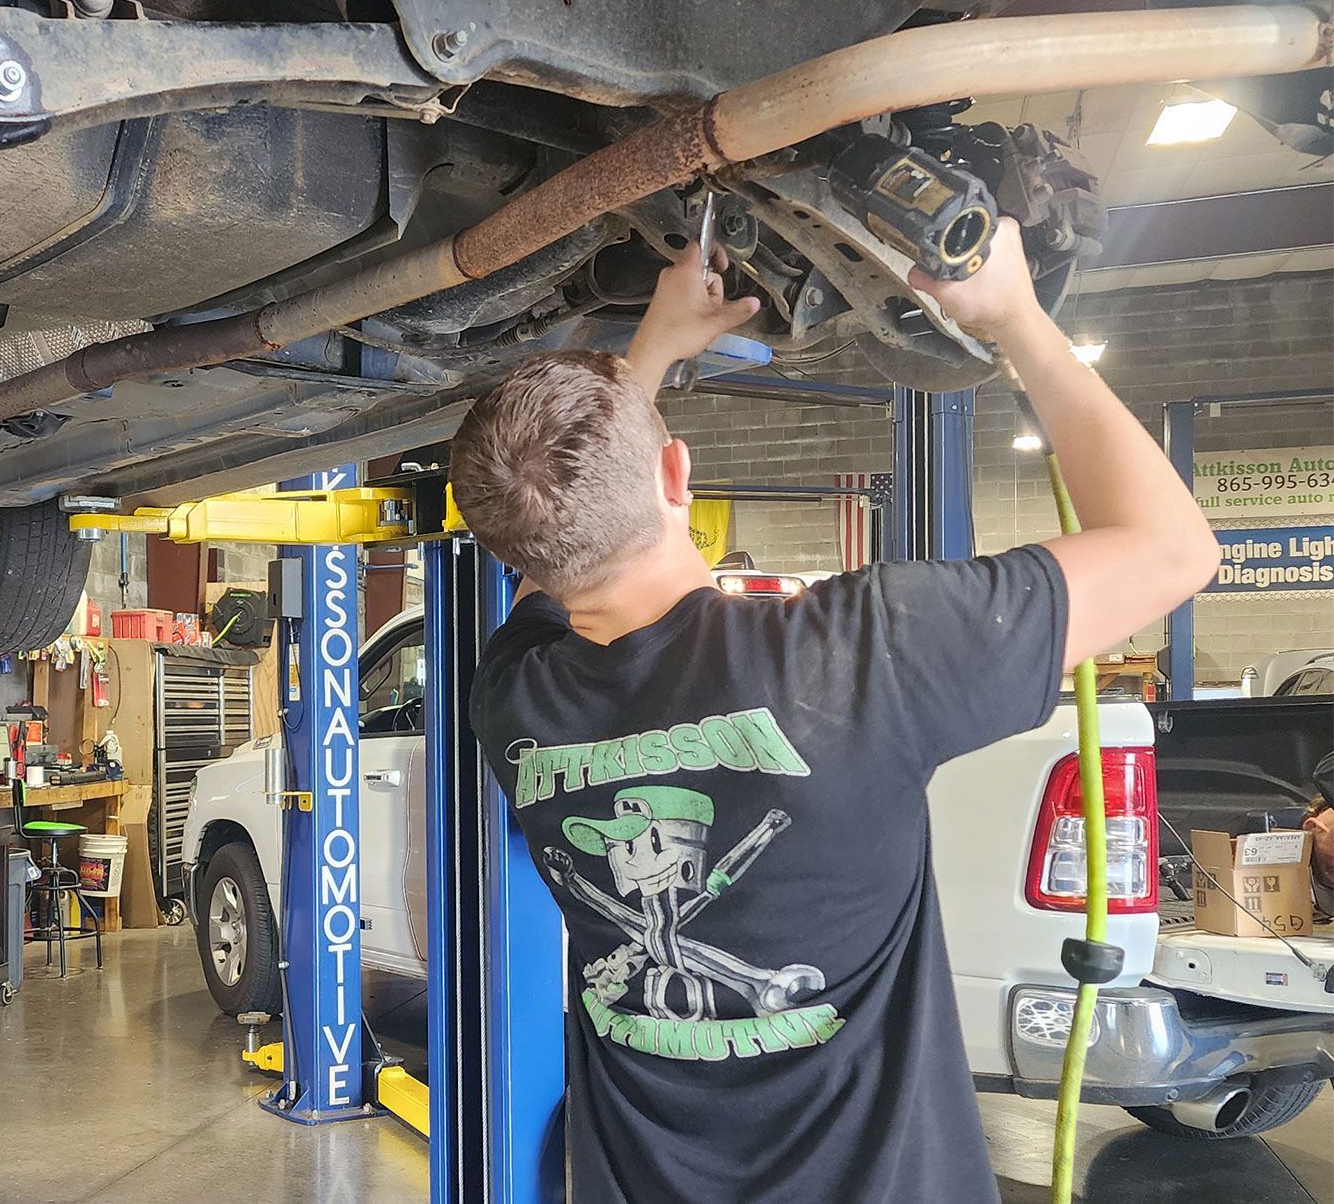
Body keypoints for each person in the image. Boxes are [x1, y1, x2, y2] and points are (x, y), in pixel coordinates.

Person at [452, 220, 1220, 1204]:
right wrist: (1016, 316)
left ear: (511, 553)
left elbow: (555, 524)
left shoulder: (513, 695)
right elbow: (1173, 549)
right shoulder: (861, 652)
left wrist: (648, 352)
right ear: (677, 472)